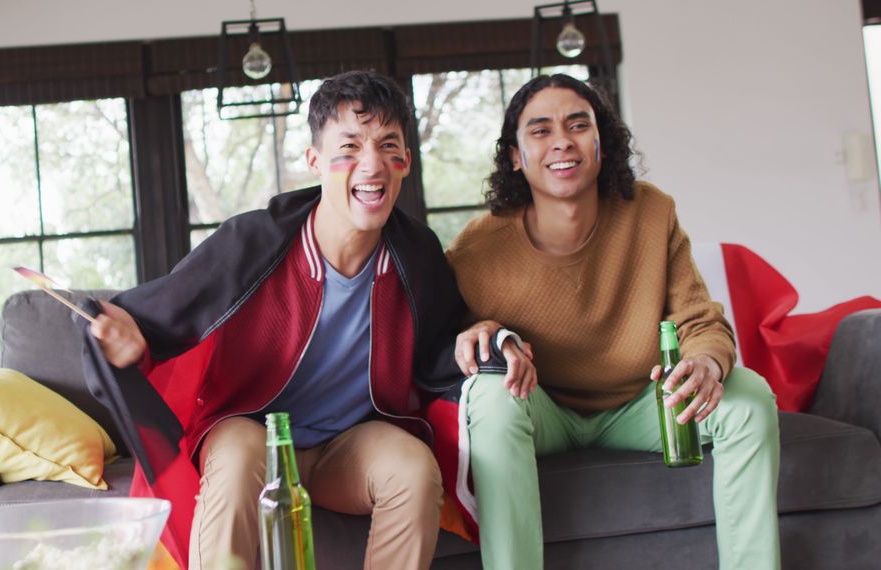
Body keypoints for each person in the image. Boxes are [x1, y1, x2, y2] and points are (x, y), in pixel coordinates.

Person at [84, 70, 467, 570]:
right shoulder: (252, 243)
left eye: (387, 145)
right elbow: (154, 317)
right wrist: (129, 340)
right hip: (251, 434)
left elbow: (445, 346)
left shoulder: (416, 254)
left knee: (413, 468)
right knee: (241, 450)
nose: (371, 165)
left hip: (348, 445)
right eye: (348, 147)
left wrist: (483, 337)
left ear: (405, 163)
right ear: (314, 161)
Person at [446, 74, 781, 569]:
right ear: (515, 156)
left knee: (748, 398)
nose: (562, 140)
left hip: (644, 406)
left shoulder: (650, 212)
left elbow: (698, 317)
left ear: (602, 144)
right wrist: (485, 336)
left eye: (578, 124)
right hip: (543, 412)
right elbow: (450, 343)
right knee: (490, 395)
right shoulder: (477, 249)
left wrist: (707, 361)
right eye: (540, 130)